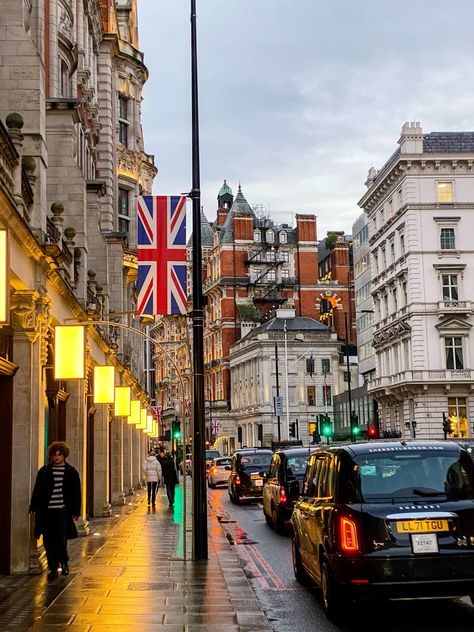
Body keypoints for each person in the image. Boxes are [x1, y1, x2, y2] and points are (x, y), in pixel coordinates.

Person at [29, 441, 81, 581]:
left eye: (60, 455)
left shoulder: (71, 472)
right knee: (48, 540)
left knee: (60, 539)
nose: (57, 457)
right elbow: (37, 490)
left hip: (62, 511)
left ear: (64, 455)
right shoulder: (45, 471)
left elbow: (76, 493)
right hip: (46, 511)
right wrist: (33, 506)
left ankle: (64, 562)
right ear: (51, 456)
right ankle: (53, 567)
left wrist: (76, 510)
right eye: (55, 455)